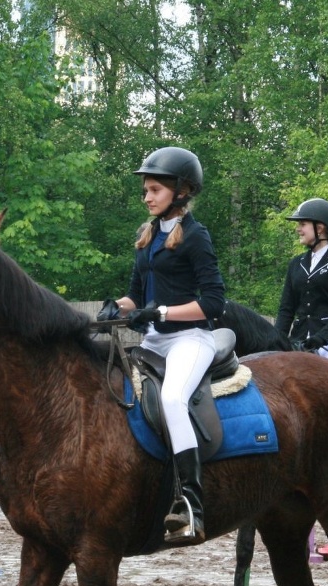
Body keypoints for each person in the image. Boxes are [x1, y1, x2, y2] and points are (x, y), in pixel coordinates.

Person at [96, 146, 226, 546]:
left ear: (182, 190)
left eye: (154, 189)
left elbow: (213, 303)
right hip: (155, 341)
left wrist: (161, 313)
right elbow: (137, 296)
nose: (147, 197)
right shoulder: (148, 235)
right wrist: (116, 307)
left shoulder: (197, 237)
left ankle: (191, 502)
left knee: (172, 399)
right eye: (145, 191)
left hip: (191, 340)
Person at [275, 198, 328, 362]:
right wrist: (275, 340)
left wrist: (321, 337)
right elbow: (286, 309)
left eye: (302, 224)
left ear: (319, 228)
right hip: (298, 340)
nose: (298, 229)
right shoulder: (296, 264)